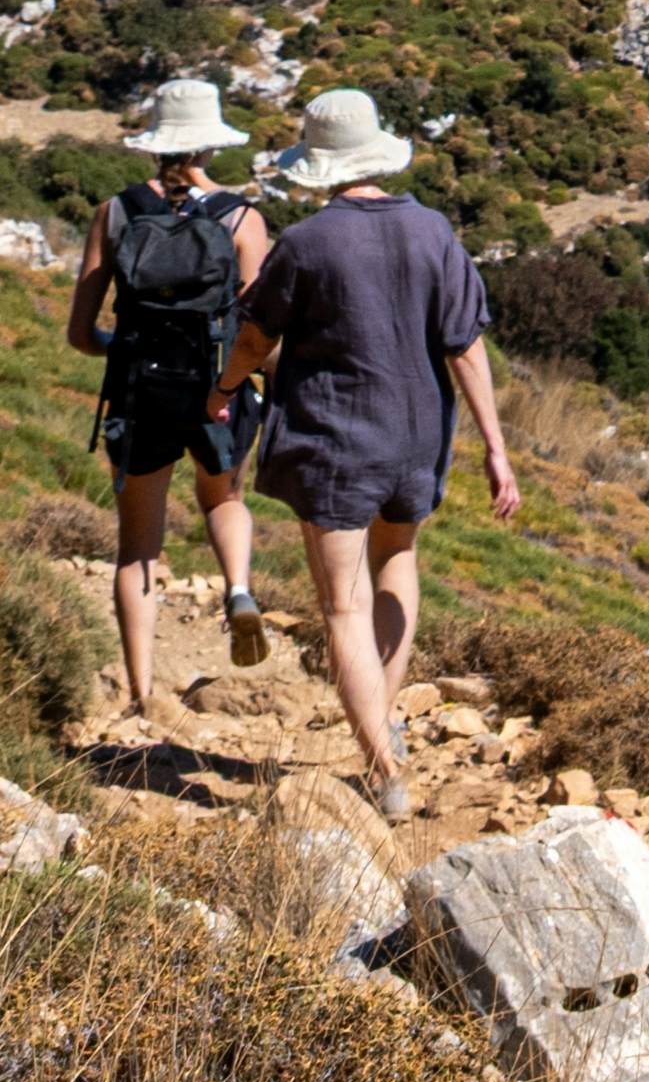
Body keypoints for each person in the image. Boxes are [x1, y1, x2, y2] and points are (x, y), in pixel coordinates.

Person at [225, 84, 517, 816]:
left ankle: (383, 768)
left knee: (342, 607)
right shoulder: (433, 231)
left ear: (317, 165)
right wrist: (496, 450)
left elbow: (258, 337)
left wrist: (221, 388)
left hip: (337, 439)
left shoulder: (307, 242)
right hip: (418, 435)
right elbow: (467, 348)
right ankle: (382, 721)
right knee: (399, 563)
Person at [64, 74, 273, 715]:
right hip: (218, 390)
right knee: (223, 497)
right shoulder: (242, 218)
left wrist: (122, 349)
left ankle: (140, 693)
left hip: (137, 389)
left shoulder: (117, 211)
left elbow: (80, 333)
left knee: (138, 545)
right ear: (211, 146)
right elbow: (258, 330)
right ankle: (237, 588)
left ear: (154, 143)